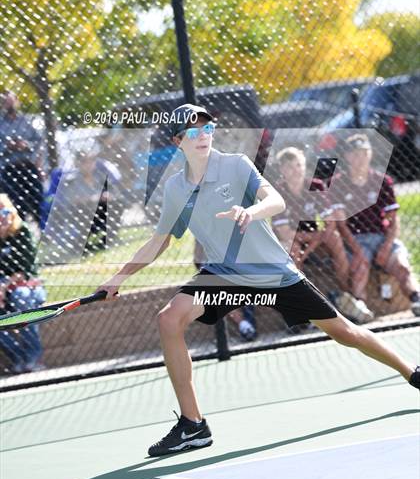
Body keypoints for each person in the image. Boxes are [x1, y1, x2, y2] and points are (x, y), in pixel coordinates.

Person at [97, 104, 420, 457]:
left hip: (272, 272)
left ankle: (411, 372)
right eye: (192, 132)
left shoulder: (235, 165)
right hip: (224, 275)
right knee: (169, 318)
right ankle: (193, 425)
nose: (202, 136)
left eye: (207, 128)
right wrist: (118, 277)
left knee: (345, 332)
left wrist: (250, 212)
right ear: (177, 141)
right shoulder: (175, 189)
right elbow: (159, 240)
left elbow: (276, 200)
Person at [272, 147, 374, 324]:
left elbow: (330, 222)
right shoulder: (277, 191)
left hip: (312, 239)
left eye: (299, 165)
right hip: (292, 241)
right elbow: (285, 232)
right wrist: (311, 241)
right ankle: (302, 308)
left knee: (334, 237)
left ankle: (347, 296)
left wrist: (311, 244)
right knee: (292, 248)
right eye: (289, 167)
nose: (296, 170)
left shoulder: (316, 185)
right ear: (281, 170)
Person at [331, 133, 420, 317]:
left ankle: (416, 299)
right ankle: (359, 309)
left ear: (370, 154)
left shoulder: (383, 181)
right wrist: (357, 250)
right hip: (355, 239)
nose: (360, 158)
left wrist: (386, 246)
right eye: (355, 154)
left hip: (381, 237)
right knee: (360, 267)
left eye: (364, 153)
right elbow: (341, 225)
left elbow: (394, 220)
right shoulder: (338, 183)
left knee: (401, 266)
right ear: (347, 156)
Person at [0, 194, 45, 373]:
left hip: (27, 285)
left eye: (3, 211)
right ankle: (18, 358)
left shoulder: (22, 231)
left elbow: (25, 269)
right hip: (2, 287)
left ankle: (34, 357)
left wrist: (3, 287)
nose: (1, 217)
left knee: (22, 300)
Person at [0, 91, 45, 225]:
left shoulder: (27, 121)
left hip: (28, 166)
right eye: (5, 101)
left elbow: (38, 142)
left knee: (38, 198)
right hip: (9, 169)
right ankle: (19, 234)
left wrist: (26, 145)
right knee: (15, 203)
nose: (8, 104)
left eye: (10, 100)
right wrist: (7, 147)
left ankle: (45, 231)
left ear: (17, 101)